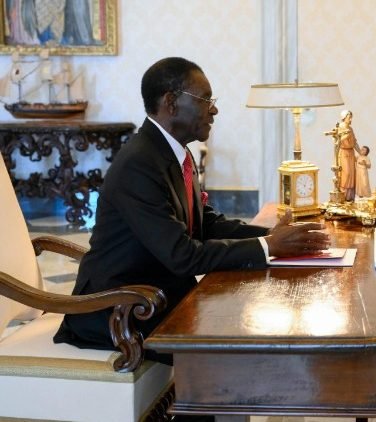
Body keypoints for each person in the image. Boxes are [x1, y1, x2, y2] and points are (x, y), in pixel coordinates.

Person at [54, 57, 329, 362]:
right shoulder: (139, 164)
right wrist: (268, 246)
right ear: (171, 103)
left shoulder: (174, 152)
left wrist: (271, 235)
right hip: (121, 309)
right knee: (242, 341)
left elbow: (205, 224)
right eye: (205, 99)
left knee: (250, 319)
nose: (214, 110)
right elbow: (182, 255)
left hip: (158, 293)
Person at [336, 110, 362, 201]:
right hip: (344, 153)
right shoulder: (340, 127)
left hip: (351, 153)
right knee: (345, 174)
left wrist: (360, 153)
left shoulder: (350, 128)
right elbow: (337, 141)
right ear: (344, 118)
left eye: (351, 118)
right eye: (349, 118)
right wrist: (346, 135)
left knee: (352, 174)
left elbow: (354, 142)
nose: (350, 120)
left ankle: (350, 198)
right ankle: (343, 196)